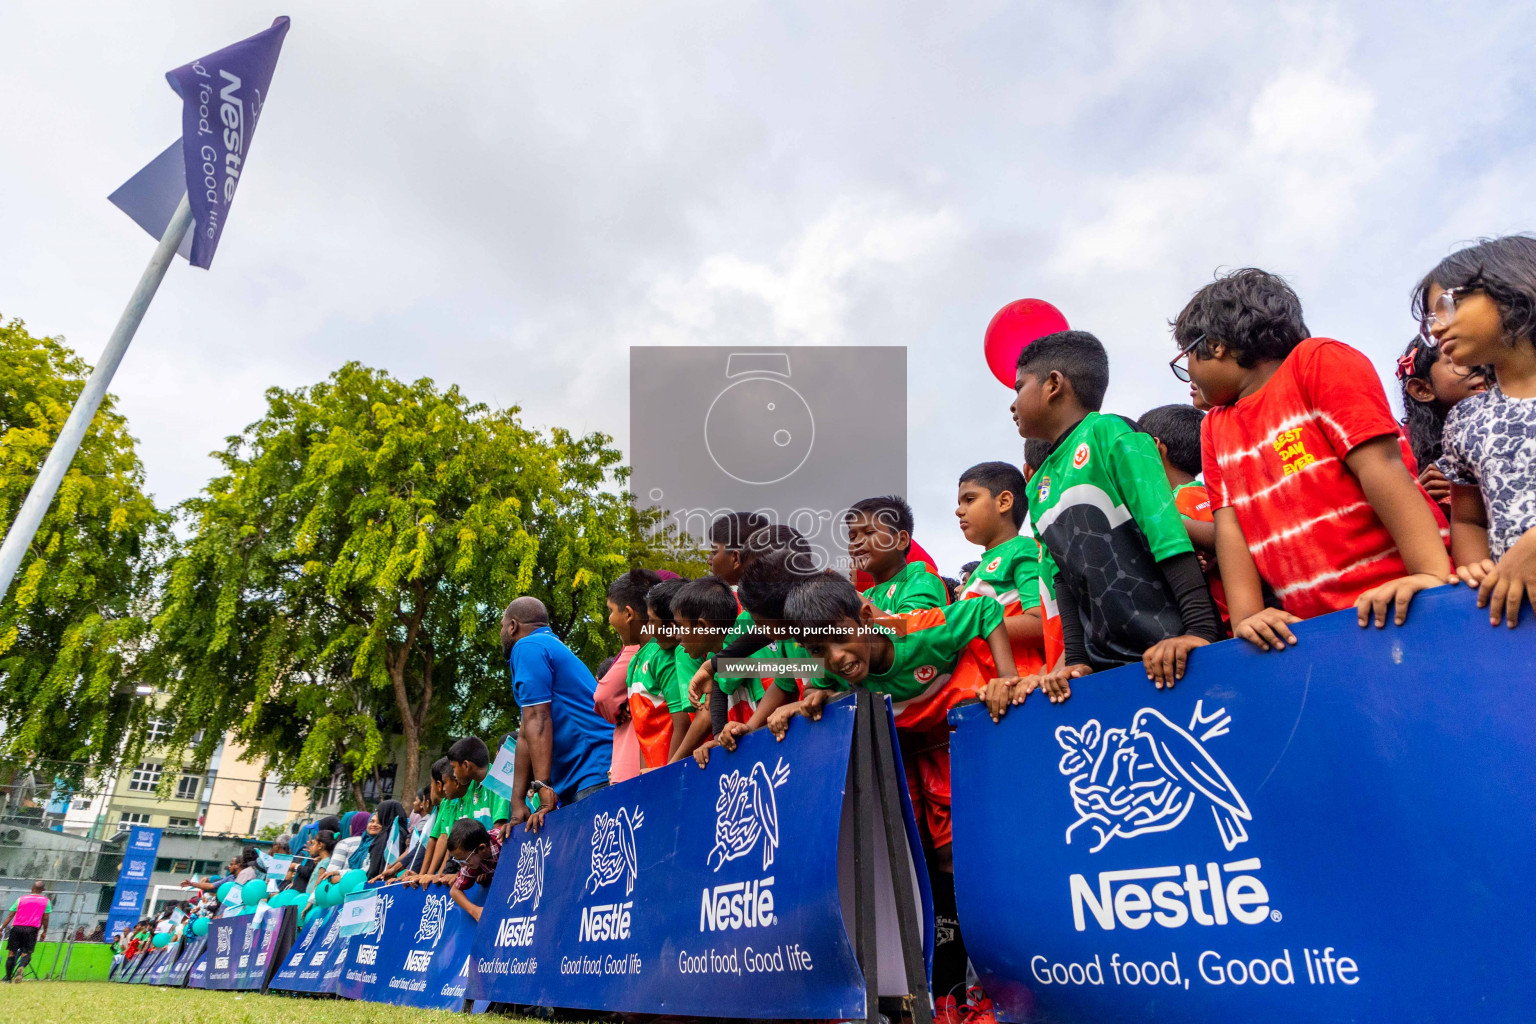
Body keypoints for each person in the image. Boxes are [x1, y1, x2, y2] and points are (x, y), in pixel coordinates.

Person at [772, 576, 1018, 1024]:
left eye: (841, 640)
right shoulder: (826, 662)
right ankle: (945, 996)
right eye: (819, 649)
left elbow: (985, 610)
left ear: (867, 618)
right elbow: (803, 682)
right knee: (925, 863)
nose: (835, 657)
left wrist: (1008, 680)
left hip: (967, 743)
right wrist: (812, 699)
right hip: (910, 753)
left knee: (980, 859)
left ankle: (999, 994)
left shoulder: (919, 629)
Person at [1173, 268, 1452, 650]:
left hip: (1404, 597)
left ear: (1216, 344)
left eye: (1186, 356)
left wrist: (1430, 575)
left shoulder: (1317, 362)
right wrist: (1248, 616)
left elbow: (1380, 466)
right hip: (1317, 629)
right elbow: (1230, 527)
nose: (1189, 372)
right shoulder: (1215, 427)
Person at [1011, 330, 1221, 693]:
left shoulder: (1111, 433)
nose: (1013, 404)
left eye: (1019, 387)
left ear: (1054, 385)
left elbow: (1165, 529)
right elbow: (1063, 577)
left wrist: (1200, 632)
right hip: (1106, 666)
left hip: (1173, 647)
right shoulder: (1037, 484)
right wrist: (1076, 660)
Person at [1415, 237, 1536, 624]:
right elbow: (1469, 519)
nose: (1436, 329)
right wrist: (1476, 568)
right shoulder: (1465, 420)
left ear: (1511, 287)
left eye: (1445, 306)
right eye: (1430, 320)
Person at [502, 596, 612, 833]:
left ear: (512, 626)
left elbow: (538, 719)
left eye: (502, 626)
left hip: (594, 768)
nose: (502, 632)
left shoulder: (527, 647)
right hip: (578, 777)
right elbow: (525, 733)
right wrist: (518, 802)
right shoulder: (546, 645)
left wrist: (542, 785)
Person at [1138, 403, 1229, 629]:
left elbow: (1223, 539)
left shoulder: (1184, 500)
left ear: (1155, 448)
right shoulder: (1207, 494)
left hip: (1220, 627)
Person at [954, 463, 1048, 678]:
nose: (959, 511)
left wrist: (964, 627)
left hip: (1019, 679)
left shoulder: (1023, 549)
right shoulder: (978, 572)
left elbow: (1041, 622)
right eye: (959, 503)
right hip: (982, 682)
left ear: (1004, 502)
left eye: (970, 499)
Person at [1395, 335, 1485, 511]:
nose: (1480, 367)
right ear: (1422, 389)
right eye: (1459, 359)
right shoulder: (1395, 451)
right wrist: (1413, 497)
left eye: (1483, 356)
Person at [596, 569, 659, 785]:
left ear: (629, 614)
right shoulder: (636, 659)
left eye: (611, 610)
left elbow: (603, 696)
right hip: (642, 775)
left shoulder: (663, 654)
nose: (610, 619)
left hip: (659, 773)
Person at [847, 495, 949, 613]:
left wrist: (853, 597)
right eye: (852, 537)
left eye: (869, 532)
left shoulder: (919, 576)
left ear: (901, 540)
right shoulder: (867, 595)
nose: (857, 541)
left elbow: (912, 629)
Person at [629, 578, 685, 770]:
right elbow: (643, 730)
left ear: (673, 624)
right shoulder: (637, 661)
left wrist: (668, 771)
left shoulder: (670, 657)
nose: (649, 627)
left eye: (652, 620)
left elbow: (683, 721)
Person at [448, 737, 513, 833]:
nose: (453, 774)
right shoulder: (472, 787)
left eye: (453, 767)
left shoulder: (499, 782)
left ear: (466, 765)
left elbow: (498, 832)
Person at [445, 818, 501, 924]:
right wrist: (475, 911)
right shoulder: (471, 863)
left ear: (482, 848)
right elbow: (454, 891)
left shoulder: (506, 840)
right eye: (458, 860)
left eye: (464, 859)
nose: (462, 865)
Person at [2, 881, 48, 982]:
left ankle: (8, 979)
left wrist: (1, 929)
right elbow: (45, 918)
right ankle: (21, 967)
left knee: (11, 953)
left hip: (17, 928)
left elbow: (11, 915)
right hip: (31, 930)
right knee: (26, 953)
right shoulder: (45, 901)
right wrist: (44, 931)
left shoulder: (21, 899)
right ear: (41, 890)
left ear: (32, 888)